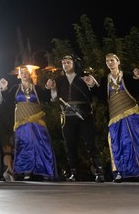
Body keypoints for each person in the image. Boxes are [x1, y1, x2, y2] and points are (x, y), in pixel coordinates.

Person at [98, 53, 139, 183]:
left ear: (118, 62)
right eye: (107, 61)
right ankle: (121, 172)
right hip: (114, 116)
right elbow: (100, 97)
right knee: (119, 143)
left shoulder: (128, 76)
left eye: (112, 60)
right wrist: (91, 85)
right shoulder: (104, 80)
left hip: (132, 114)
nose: (110, 63)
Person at [45, 54, 104, 182]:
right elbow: (54, 99)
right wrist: (53, 89)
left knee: (90, 143)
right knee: (70, 144)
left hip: (85, 114)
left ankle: (99, 172)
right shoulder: (59, 80)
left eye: (68, 62)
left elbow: (97, 94)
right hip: (67, 116)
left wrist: (92, 84)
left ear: (74, 64)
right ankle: (74, 172)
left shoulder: (83, 77)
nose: (65, 65)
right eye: (63, 63)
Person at [3, 65, 57, 181]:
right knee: (24, 145)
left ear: (30, 74)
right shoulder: (15, 89)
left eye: (26, 72)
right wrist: (4, 89)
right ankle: (26, 171)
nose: (24, 74)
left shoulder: (37, 88)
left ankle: (44, 171)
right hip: (22, 123)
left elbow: (47, 98)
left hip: (37, 123)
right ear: (19, 75)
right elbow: (7, 101)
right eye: (22, 72)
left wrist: (49, 87)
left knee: (40, 144)